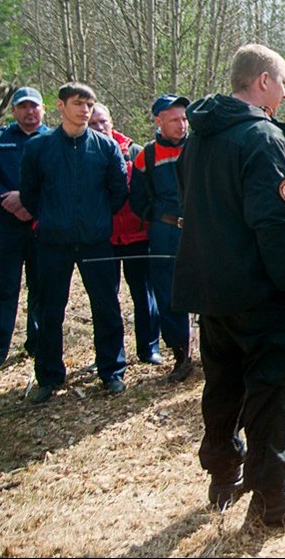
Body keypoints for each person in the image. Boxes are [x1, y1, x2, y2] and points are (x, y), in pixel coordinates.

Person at [173, 44, 285, 527]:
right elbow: (276, 221)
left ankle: (224, 475)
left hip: (213, 287)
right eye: (282, 81)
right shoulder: (261, 137)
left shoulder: (200, 136)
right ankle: (271, 500)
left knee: (223, 385)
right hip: (259, 292)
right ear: (262, 81)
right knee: (270, 393)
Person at [20, 83, 129, 403]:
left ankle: (112, 371)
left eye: (90, 104)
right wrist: (54, 217)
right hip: (53, 242)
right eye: (78, 103)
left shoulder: (105, 148)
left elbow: (118, 193)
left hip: (96, 241)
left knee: (107, 306)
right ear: (60, 106)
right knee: (50, 310)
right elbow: (29, 194)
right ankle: (49, 376)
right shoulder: (39, 148)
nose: (85, 110)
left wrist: (95, 219)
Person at [0, 87, 50, 377]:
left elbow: (57, 179)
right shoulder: (1, 139)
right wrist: (10, 201)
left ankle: (37, 343)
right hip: (7, 225)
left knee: (41, 289)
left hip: (40, 225)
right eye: (23, 107)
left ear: (43, 110)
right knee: (3, 289)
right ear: (13, 111)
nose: (29, 112)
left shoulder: (52, 140)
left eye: (34, 107)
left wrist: (29, 202)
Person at [130, 94, 195, 382]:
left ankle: (215, 351)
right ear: (158, 121)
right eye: (174, 120)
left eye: (184, 119)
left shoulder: (198, 146)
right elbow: (137, 198)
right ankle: (181, 355)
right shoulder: (147, 155)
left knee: (210, 286)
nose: (181, 125)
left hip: (201, 228)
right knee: (168, 295)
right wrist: (158, 216)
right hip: (165, 231)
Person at [88, 104, 158, 365]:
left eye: (102, 122)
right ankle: (108, 354)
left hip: (137, 235)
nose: (98, 127)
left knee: (143, 294)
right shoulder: (83, 153)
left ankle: (149, 348)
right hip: (102, 237)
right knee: (104, 299)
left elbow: (148, 191)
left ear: (112, 122)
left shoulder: (135, 151)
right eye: (93, 123)